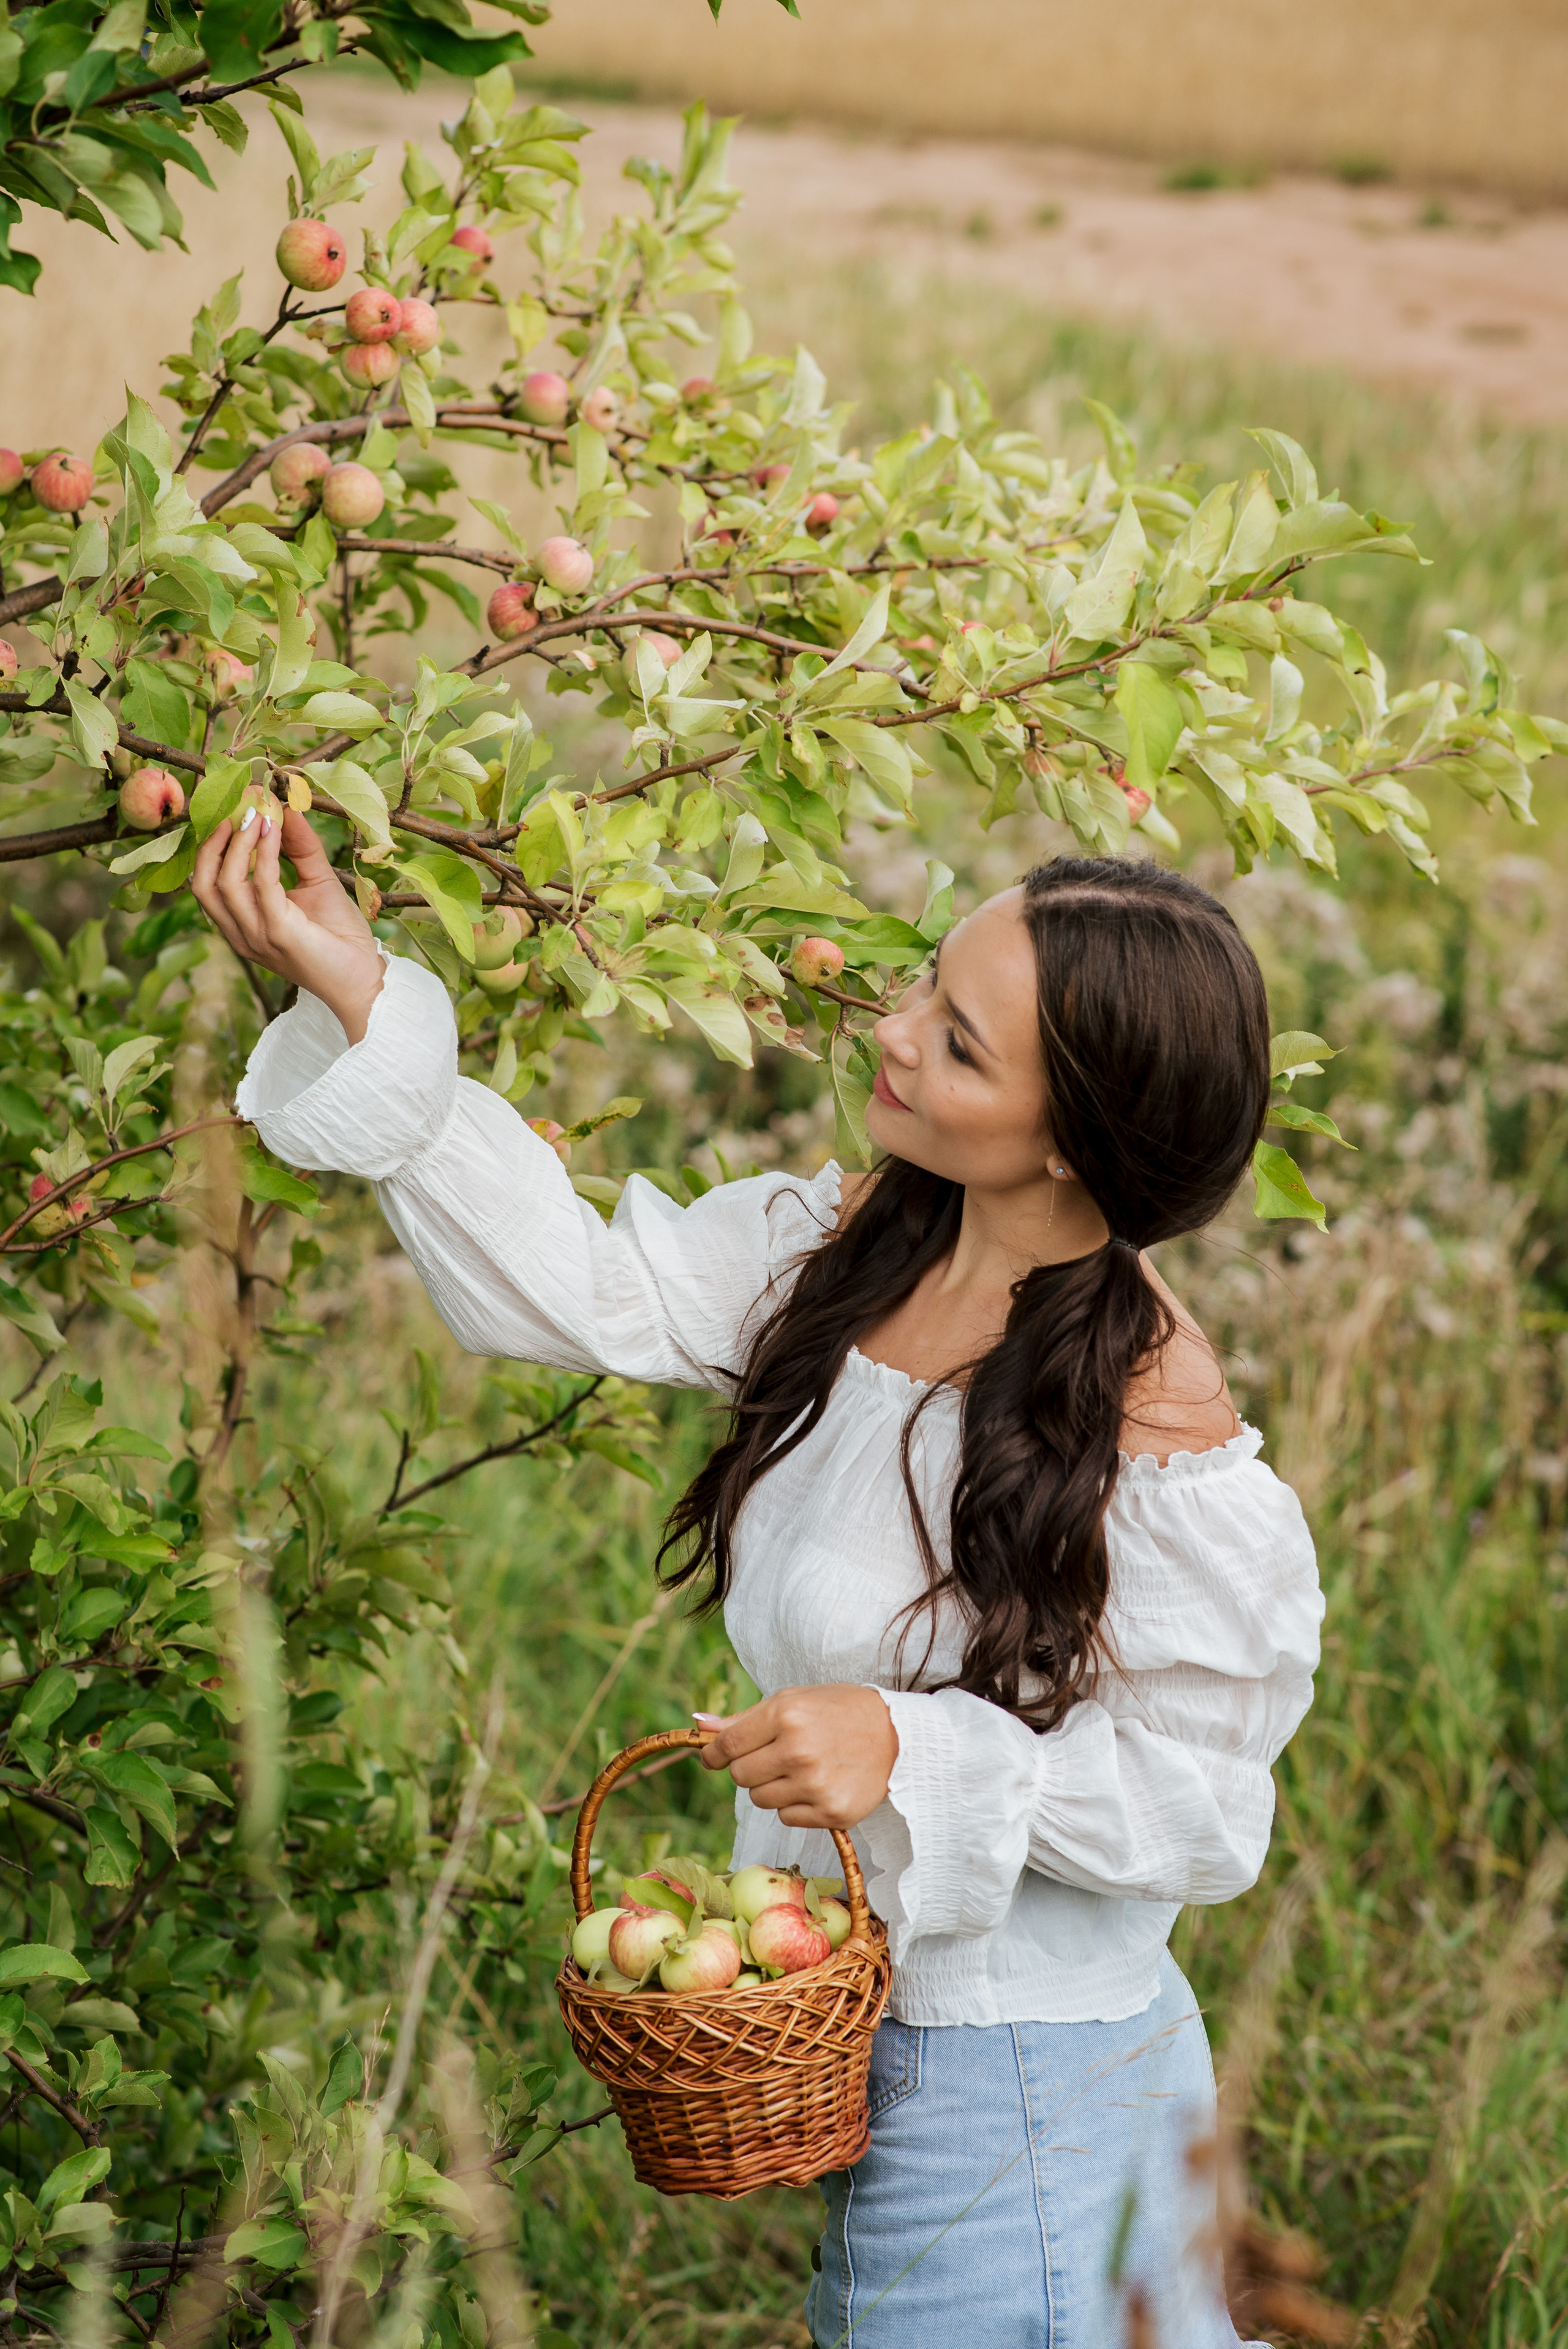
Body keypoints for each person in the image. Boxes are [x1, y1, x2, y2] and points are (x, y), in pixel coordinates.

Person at [195, 808, 1322, 2349]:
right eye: (927, 985)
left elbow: (1207, 1811)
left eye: (960, 1044)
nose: (894, 1032)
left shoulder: (1147, 1425)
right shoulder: (857, 1251)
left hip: (1027, 2095)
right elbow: (585, 1287)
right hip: (903, 2055)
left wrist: (908, 1746)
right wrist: (361, 994)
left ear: (1070, 1136)